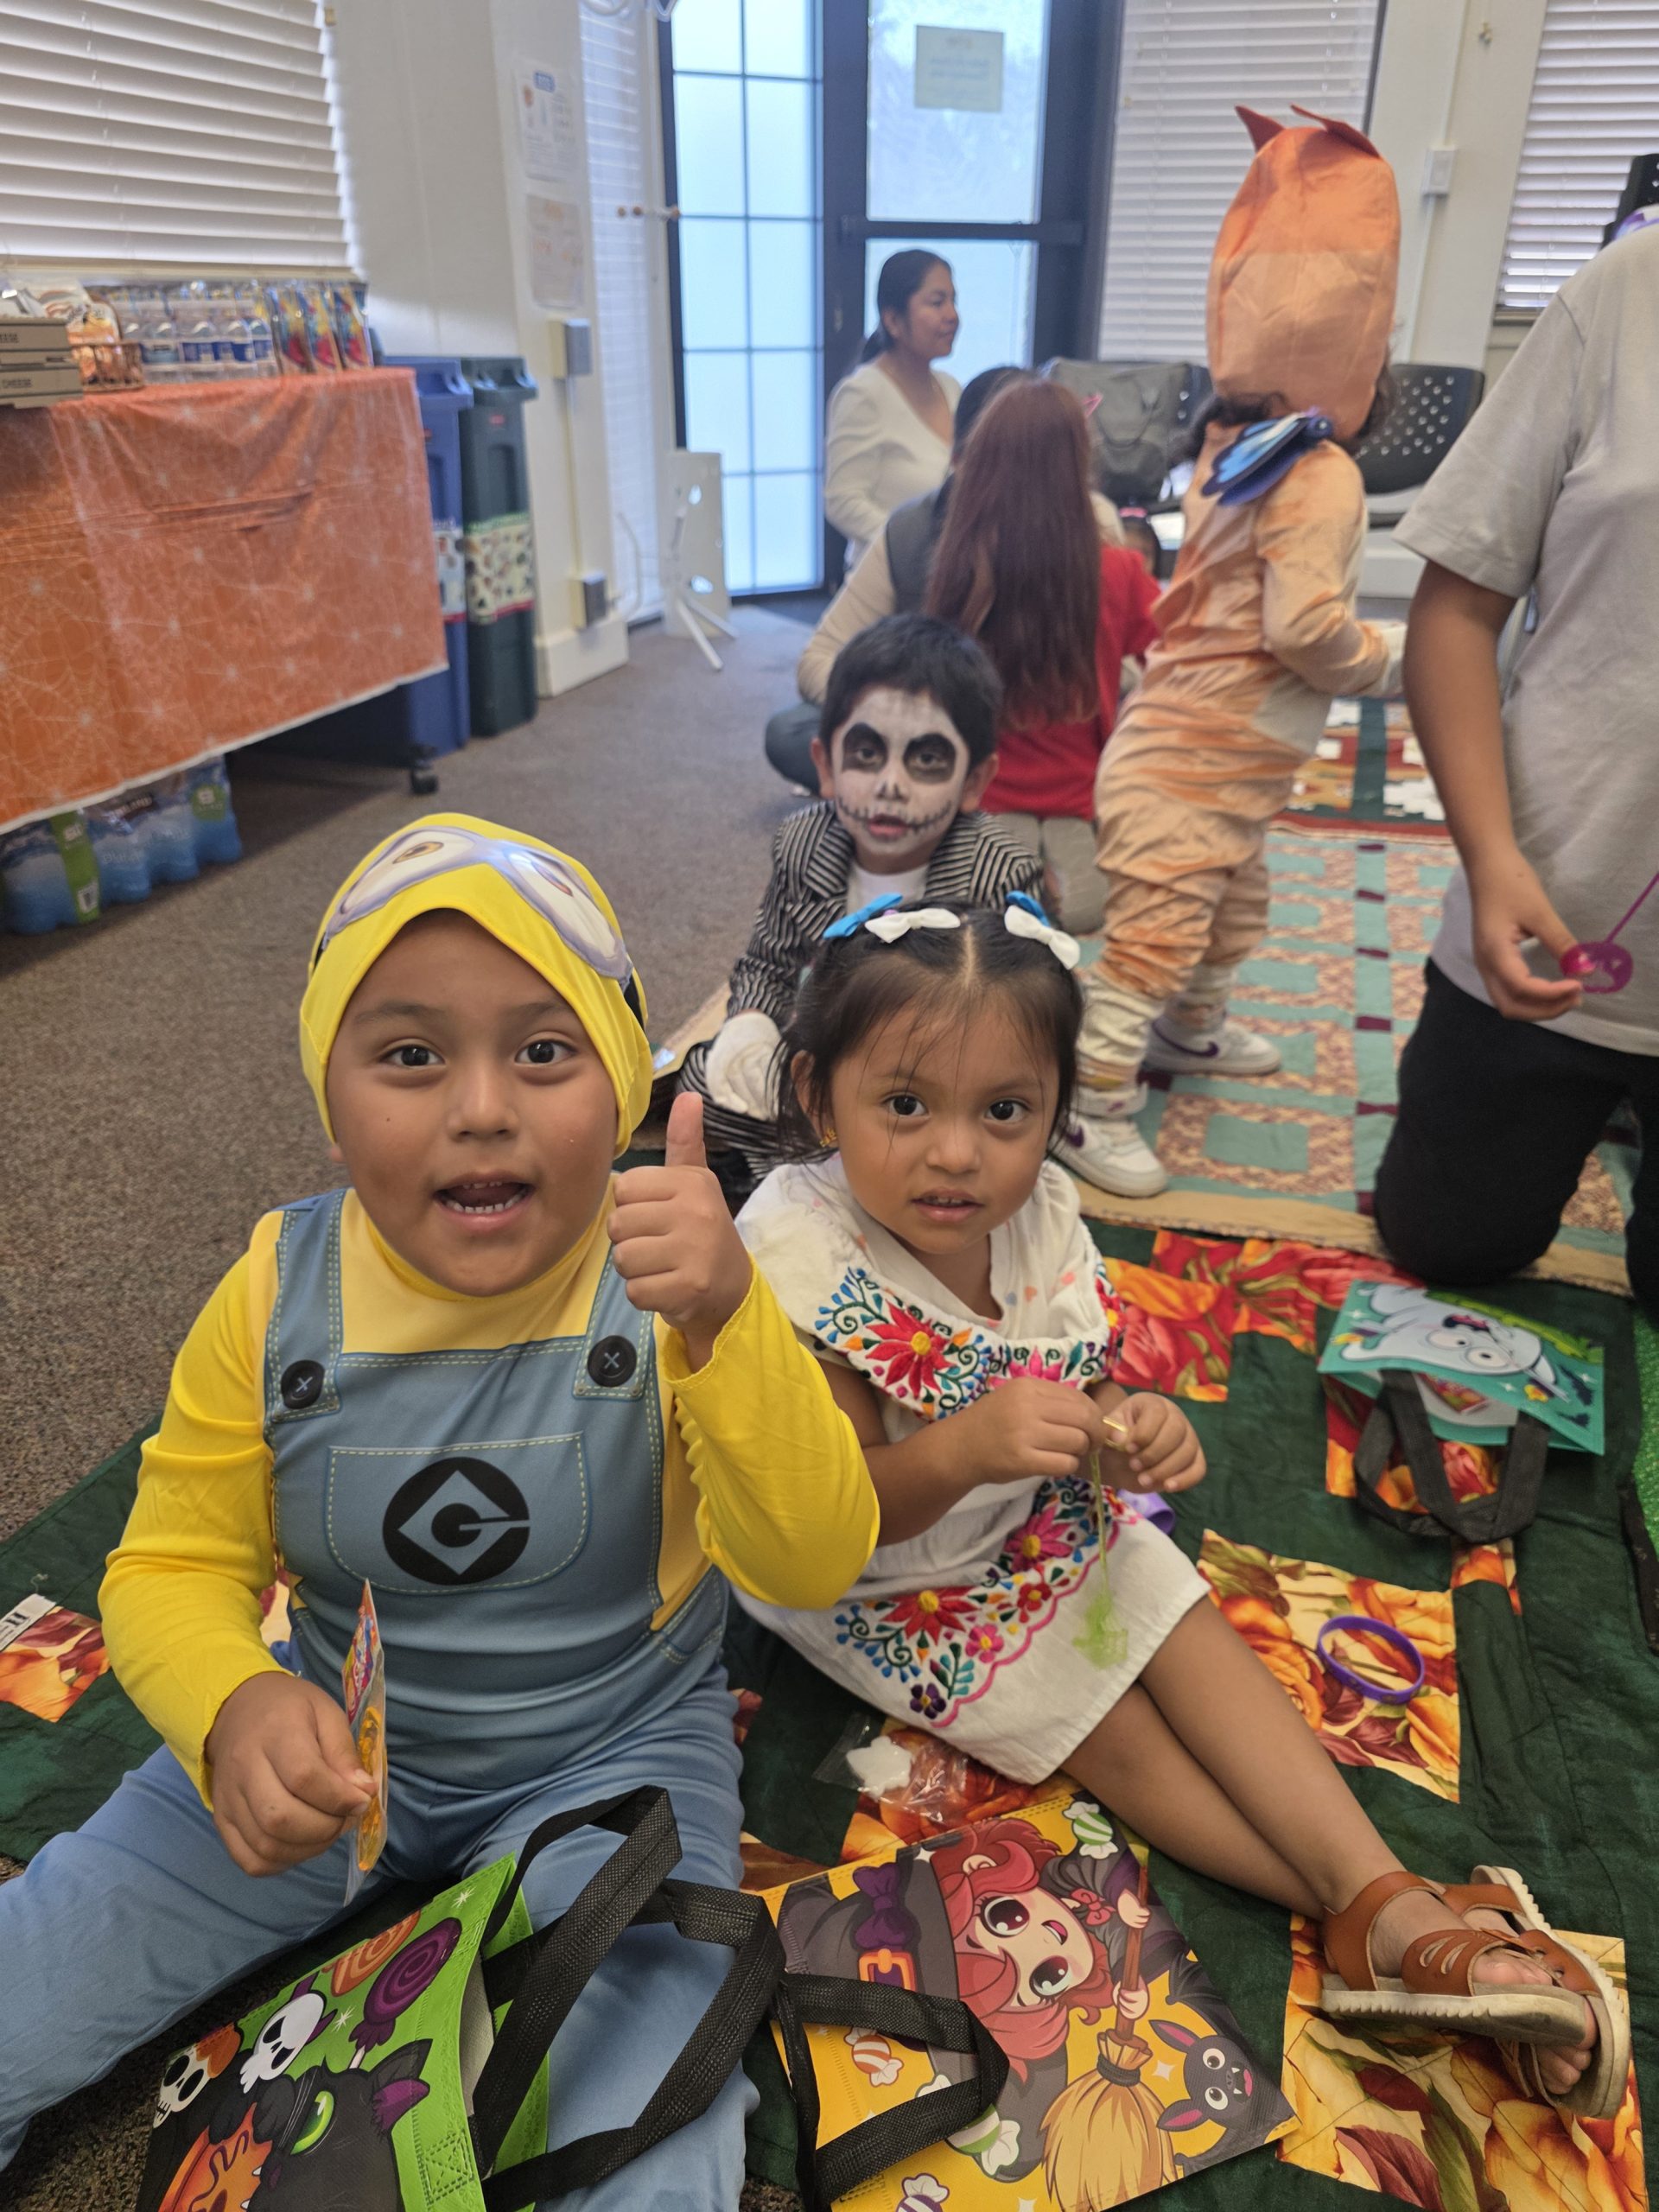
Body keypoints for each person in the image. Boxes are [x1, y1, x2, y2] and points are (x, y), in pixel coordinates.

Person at [0, 815, 880, 2208]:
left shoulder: (675, 1282)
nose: (481, 1108)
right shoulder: (271, 1295)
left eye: (545, 1051)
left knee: (651, 2112)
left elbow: (816, 1558)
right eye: (411, 1056)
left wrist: (730, 1327)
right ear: (330, 1097)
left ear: (624, 1084)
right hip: (322, 1749)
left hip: (613, 1753)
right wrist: (231, 1705)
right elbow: (169, 1563)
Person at [736, 898, 1623, 2126]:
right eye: (905, 1105)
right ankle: (1390, 1923)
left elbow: (1081, 1378)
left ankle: (1387, 1900)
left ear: (1058, 1108)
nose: (958, 1154)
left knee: (1174, 1612)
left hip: (1024, 1520)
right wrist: (965, 1446)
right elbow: (835, 1515)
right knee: (1106, 1723)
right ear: (818, 1098)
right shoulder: (797, 1256)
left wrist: (1130, 1425)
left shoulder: (1040, 1216)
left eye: (1005, 1112)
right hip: (886, 1583)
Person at [1073, 107, 1406, 1198]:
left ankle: (1191, 1028)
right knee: (1155, 936)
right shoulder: (1318, 470)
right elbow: (1305, 628)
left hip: (1210, 758)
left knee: (1236, 908)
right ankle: (1090, 1102)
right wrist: (1388, 655)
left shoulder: (1238, 446)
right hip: (1191, 766)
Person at [1373, 218, 1659, 1304]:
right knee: (1443, 1243)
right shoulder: (1625, 292)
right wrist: (1492, 858)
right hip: (1546, 924)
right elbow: (1457, 607)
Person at [683, 615, 1043, 1189]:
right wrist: (749, 1025)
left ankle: (830, 1169)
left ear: (974, 782)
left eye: (927, 760)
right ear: (826, 766)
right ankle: (814, 1163)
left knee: (1009, 1134)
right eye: (867, 753)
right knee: (701, 1081)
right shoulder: (802, 843)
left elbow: (1016, 1018)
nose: (890, 785)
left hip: (936, 1077)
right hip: (823, 1052)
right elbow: (767, 962)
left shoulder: (998, 871)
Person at [924, 377, 1161, 939]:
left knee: (999, 914)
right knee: (1083, 913)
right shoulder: (1119, 571)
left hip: (979, 797)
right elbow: (1178, 661)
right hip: (1084, 799)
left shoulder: (961, 567)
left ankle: (1015, 879)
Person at [765, 365, 1033, 791]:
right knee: (789, 733)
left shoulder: (1089, 532)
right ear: (958, 460)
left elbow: (1128, 674)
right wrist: (892, 712)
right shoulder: (911, 531)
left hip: (1033, 736)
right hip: (921, 727)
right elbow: (818, 657)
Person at [823, 251, 960, 566]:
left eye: (954, 301)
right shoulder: (863, 393)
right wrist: (910, 548)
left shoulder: (952, 388)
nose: (952, 315)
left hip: (944, 576)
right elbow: (842, 501)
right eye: (937, 302)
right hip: (886, 577)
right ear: (893, 320)